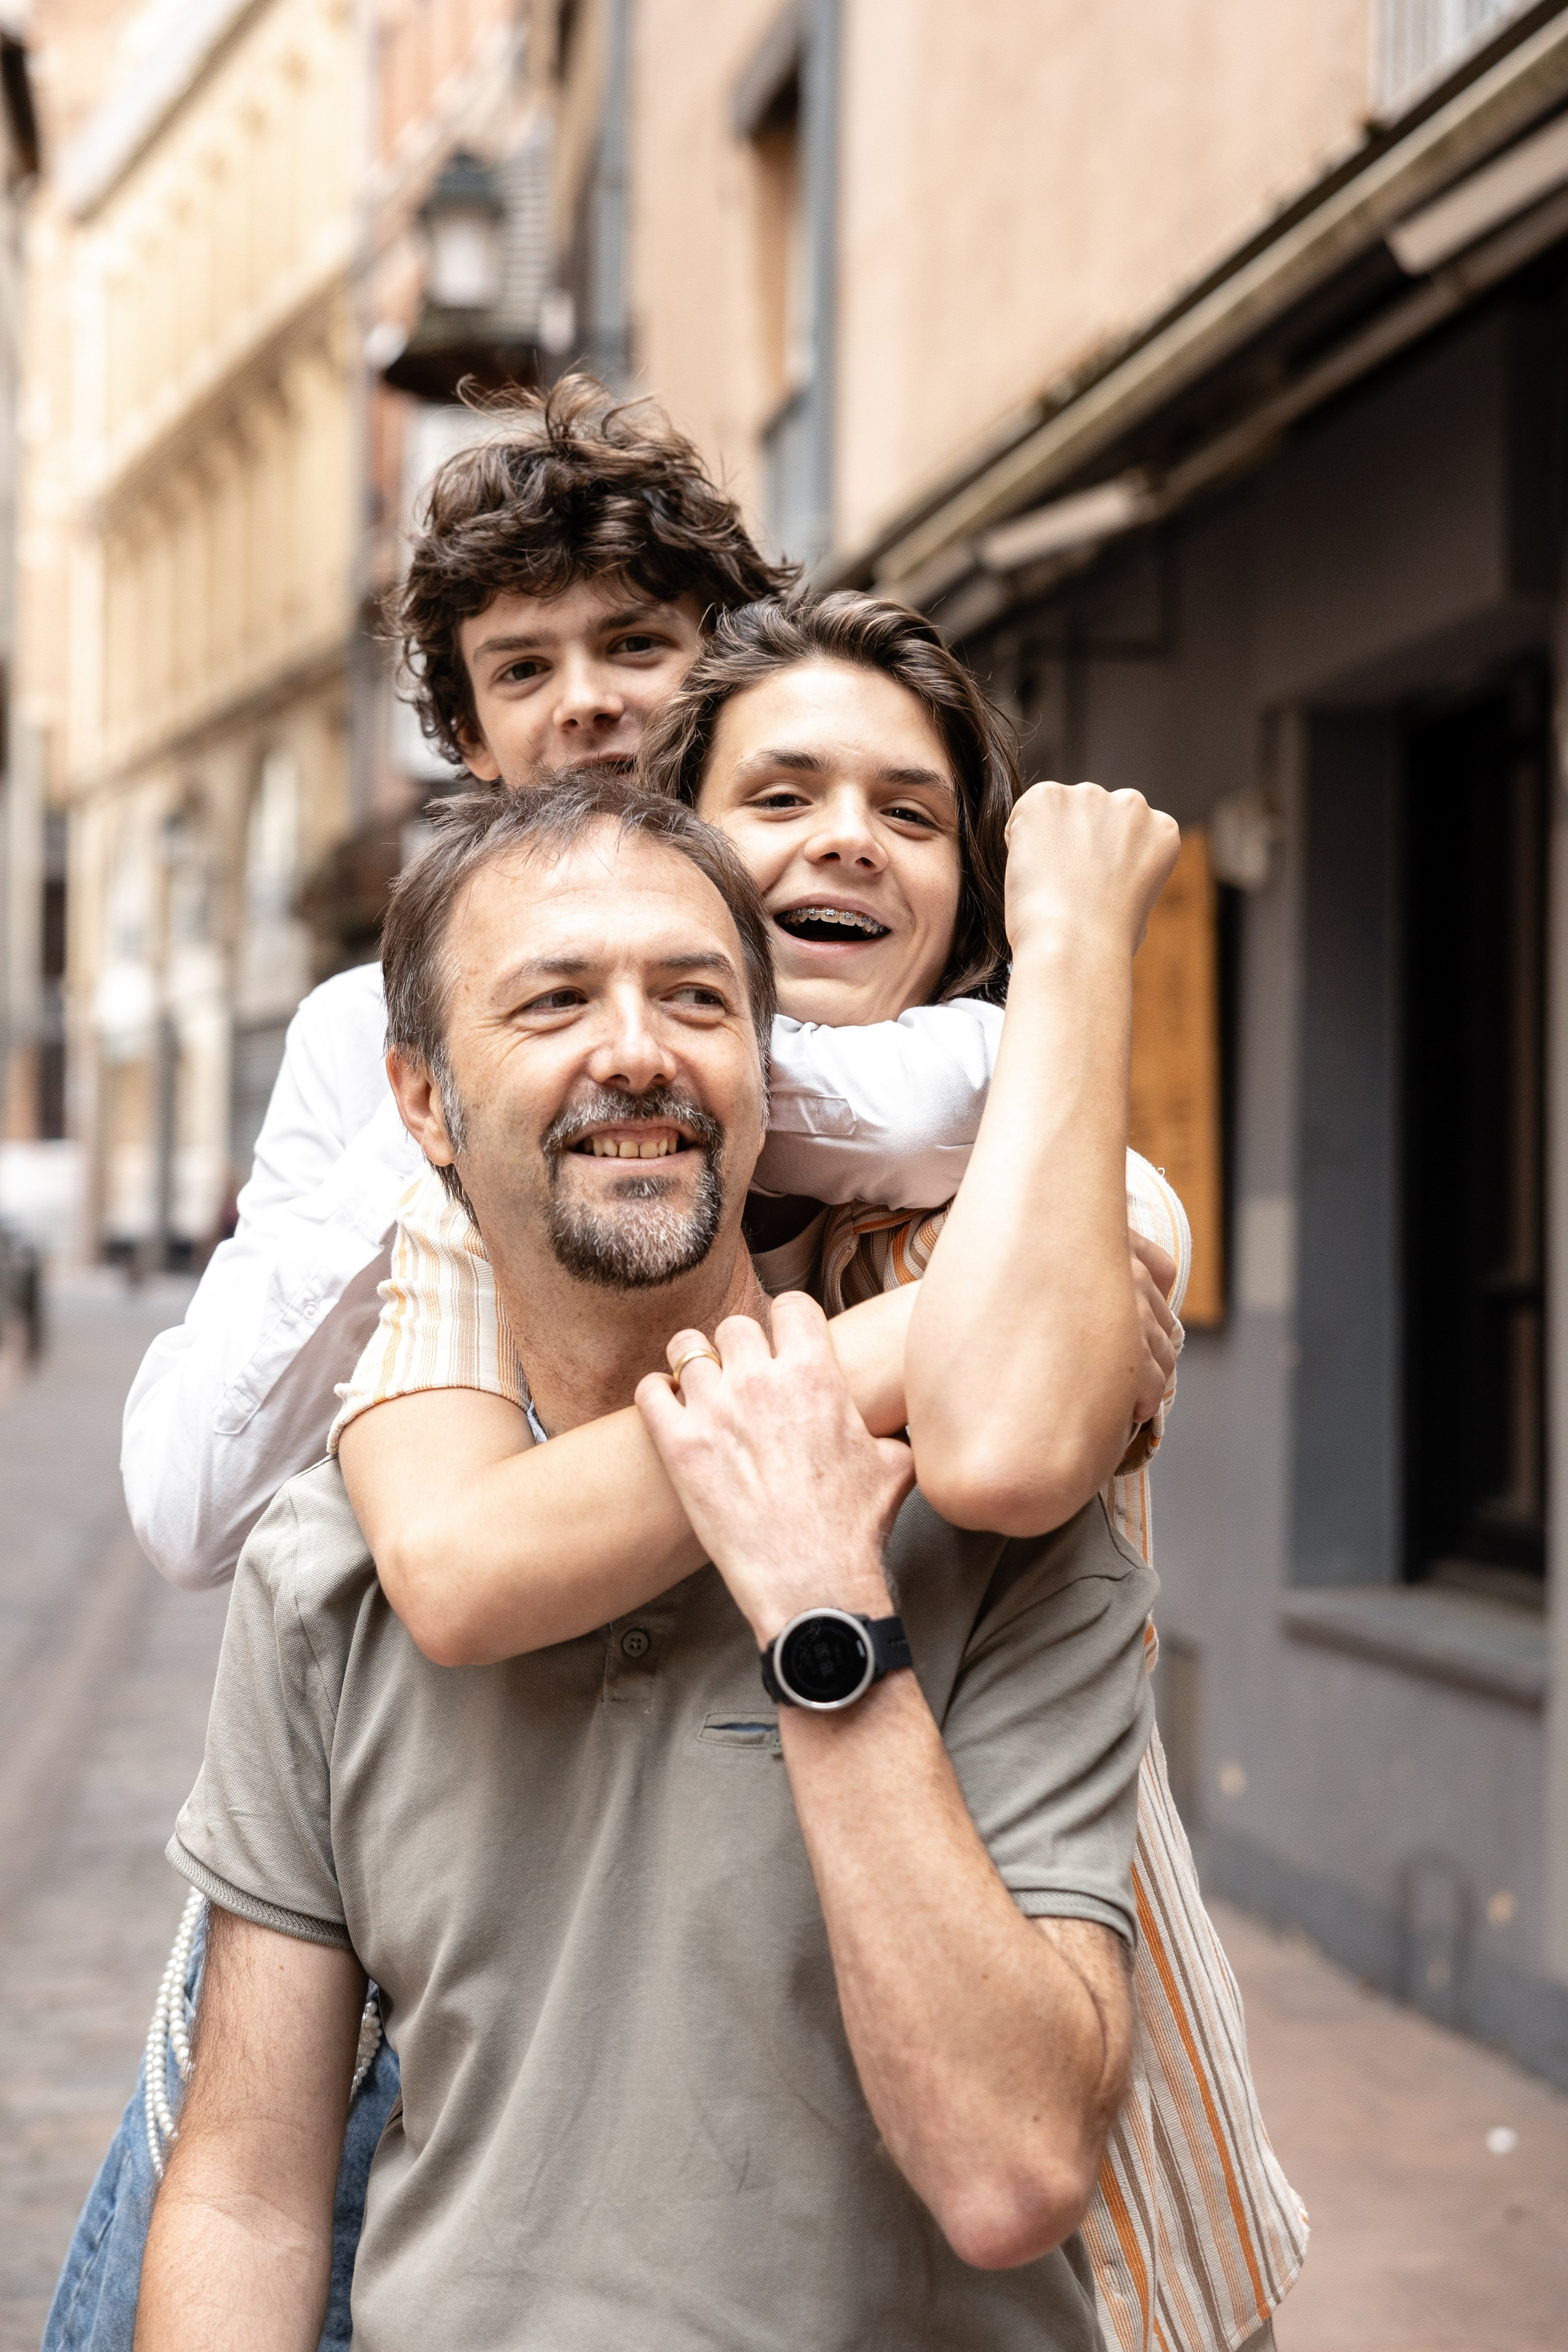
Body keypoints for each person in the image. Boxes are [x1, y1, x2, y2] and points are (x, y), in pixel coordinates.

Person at [330, 597, 1305, 2350]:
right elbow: (459, 1567)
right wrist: (879, 1366)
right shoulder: (508, 1181)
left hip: (1052, 2113)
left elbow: (1002, 1450)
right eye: (782, 796)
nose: (849, 835)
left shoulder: (1073, 1174)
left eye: (915, 814)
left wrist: (1081, 947)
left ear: (965, 911)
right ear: (687, 846)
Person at [136, 775, 1167, 2351]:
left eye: (694, 997)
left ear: (761, 1074)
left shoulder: (990, 1530)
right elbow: (246, 2188)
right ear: (422, 1104)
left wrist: (825, 1606)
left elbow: (1012, 2171)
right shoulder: (335, 1560)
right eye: (553, 1000)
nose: (635, 1048)